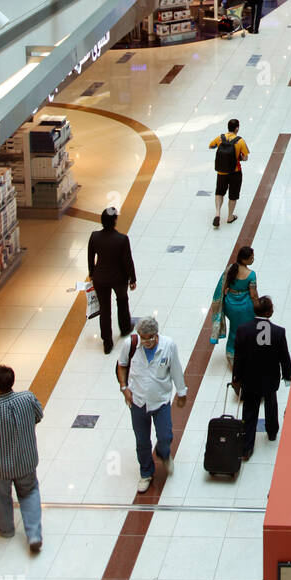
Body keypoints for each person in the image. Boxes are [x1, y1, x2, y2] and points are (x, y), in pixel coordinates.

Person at [117, 317, 187, 493]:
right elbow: (122, 365)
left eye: (150, 337)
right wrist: (124, 388)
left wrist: (181, 392)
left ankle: (164, 454)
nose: (146, 341)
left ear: (157, 334)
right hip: (138, 402)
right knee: (142, 441)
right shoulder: (130, 344)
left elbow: (176, 369)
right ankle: (146, 472)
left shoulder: (168, 345)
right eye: (143, 337)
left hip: (161, 400)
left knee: (165, 436)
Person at [0, 365, 43, 552]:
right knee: (30, 492)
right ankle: (33, 535)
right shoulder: (28, 398)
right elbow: (39, 416)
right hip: (26, 460)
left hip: (0, 466)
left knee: (2, 496)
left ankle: (6, 528)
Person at [232, 296, 291, 456]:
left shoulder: (243, 330)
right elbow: (284, 357)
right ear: (268, 312)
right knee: (271, 404)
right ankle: (272, 432)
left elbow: (238, 357)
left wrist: (236, 378)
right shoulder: (278, 332)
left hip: (249, 379)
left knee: (250, 409)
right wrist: (288, 375)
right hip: (270, 378)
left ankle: (246, 447)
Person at [87, 206, 137, 354]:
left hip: (100, 278)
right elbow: (128, 261)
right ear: (115, 221)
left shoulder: (94, 236)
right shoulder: (122, 239)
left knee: (105, 309)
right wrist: (132, 278)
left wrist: (92, 273)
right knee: (122, 301)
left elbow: (90, 257)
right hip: (118, 278)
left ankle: (107, 342)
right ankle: (125, 327)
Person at [210, 246, 258, 368]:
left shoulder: (231, 268)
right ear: (245, 259)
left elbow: (224, 286)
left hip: (230, 305)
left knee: (234, 329)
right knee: (248, 330)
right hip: (245, 307)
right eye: (251, 258)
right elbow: (253, 295)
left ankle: (231, 354)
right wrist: (257, 306)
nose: (253, 259)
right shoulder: (251, 275)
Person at [209, 118, 249, 228]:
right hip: (235, 172)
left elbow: (211, 146)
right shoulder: (240, 141)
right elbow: (245, 158)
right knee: (233, 195)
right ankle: (230, 217)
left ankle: (217, 213)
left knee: (219, 192)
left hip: (221, 172)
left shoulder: (220, 138)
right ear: (237, 128)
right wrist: (238, 158)